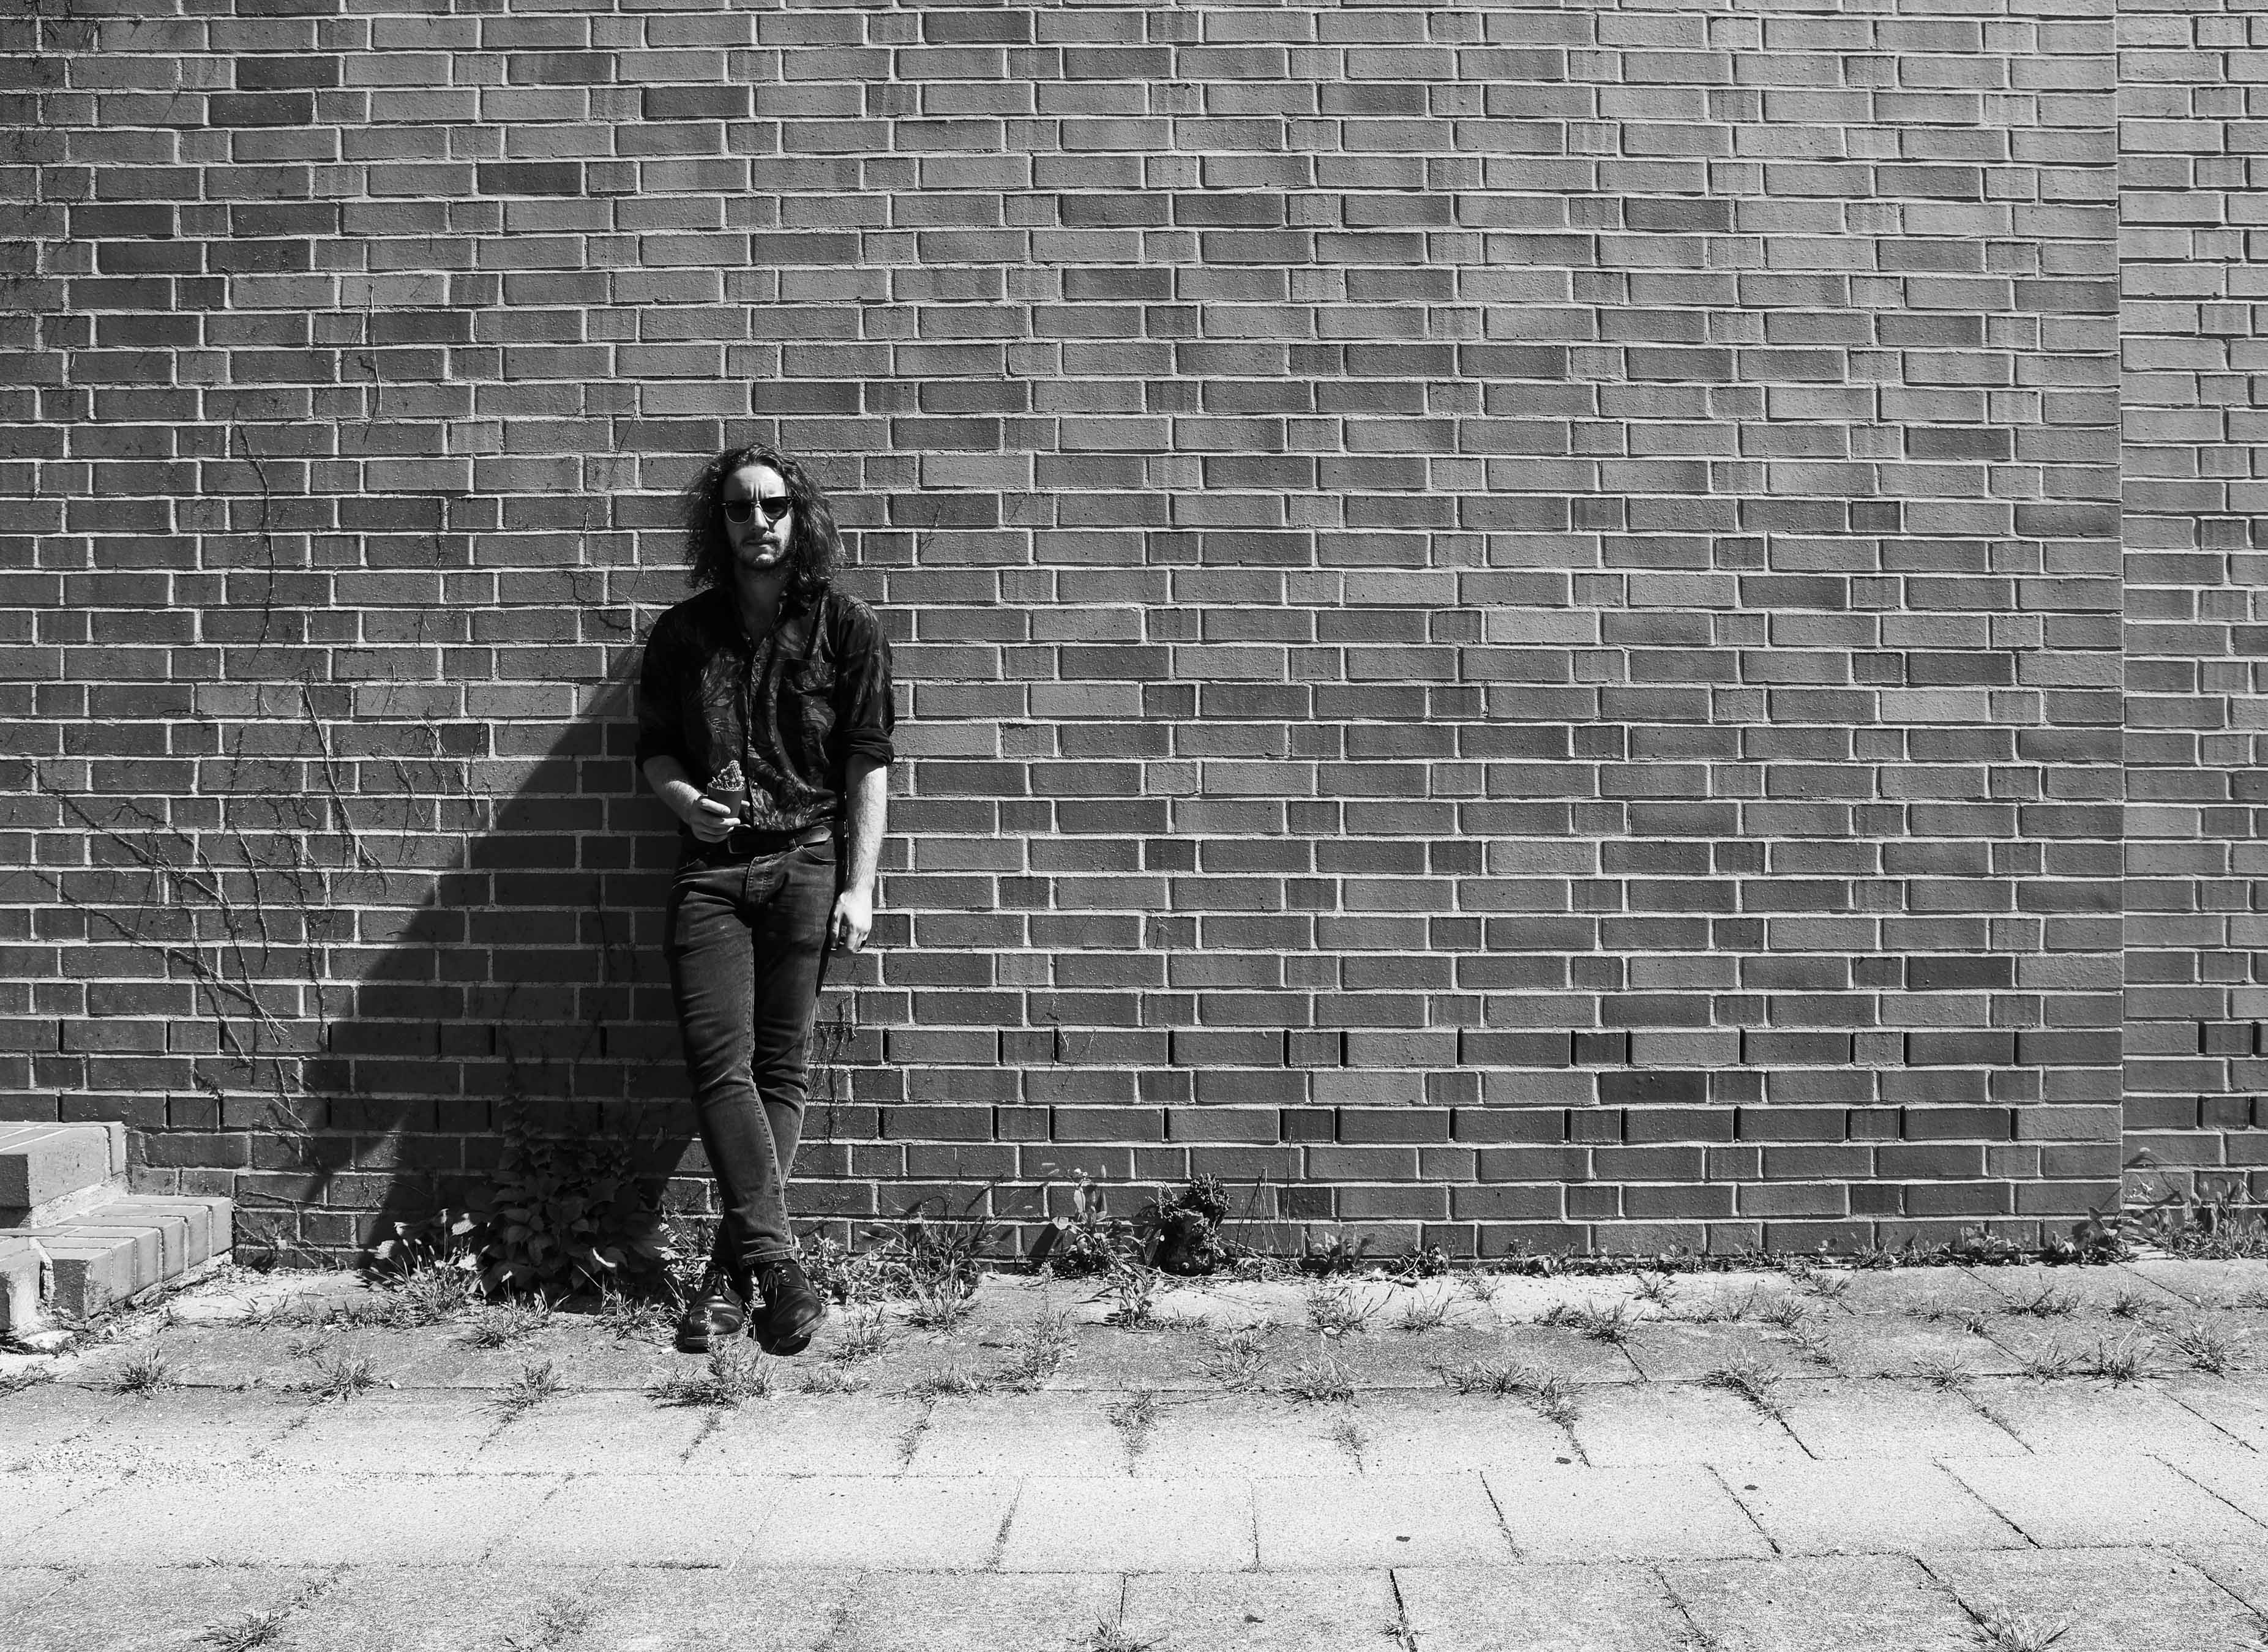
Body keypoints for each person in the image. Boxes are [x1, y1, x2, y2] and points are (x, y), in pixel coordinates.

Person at [635, 443, 894, 1355]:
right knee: (721, 1067)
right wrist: (684, 802)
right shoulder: (682, 635)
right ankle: (777, 1268)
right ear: (720, 525)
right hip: (711, 875)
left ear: (798, 515)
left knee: (780, 1071)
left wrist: (860, 887)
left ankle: (728, 1276)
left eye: (773, 506)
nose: (759, 522)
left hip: (807, 865)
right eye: (741, 508)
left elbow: (867, 764)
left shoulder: (846, 628)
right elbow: (654, 750)